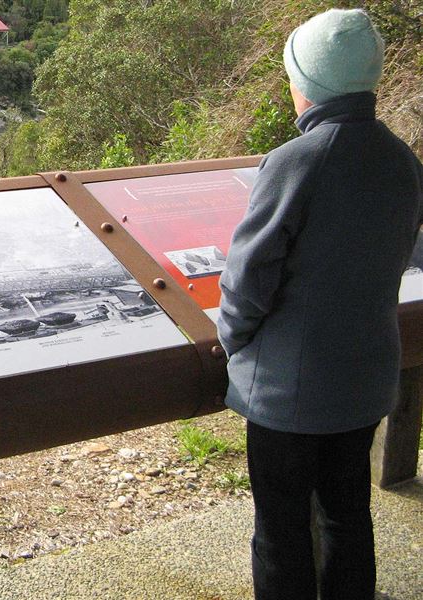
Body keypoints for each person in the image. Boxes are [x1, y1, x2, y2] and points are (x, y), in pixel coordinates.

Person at [217, 8, 423, 600]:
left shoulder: (295, 161)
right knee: (347, 516)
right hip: (363, 383)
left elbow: (249, 277)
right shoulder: (402, 160)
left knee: (280, 532)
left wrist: (233, 341)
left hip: (287, 395)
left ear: (303, 84)